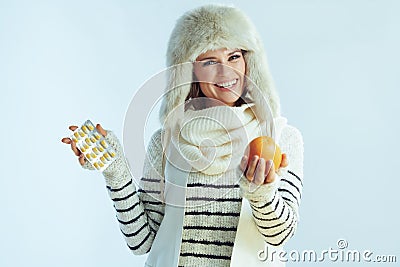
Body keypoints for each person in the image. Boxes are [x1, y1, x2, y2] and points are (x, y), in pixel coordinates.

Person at [61, 4, 304, 267]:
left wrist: (261, 193)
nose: (227, 72)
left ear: (249, 61)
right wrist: (115, 169)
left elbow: (281, 234)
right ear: (190, 72)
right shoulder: (165, 141)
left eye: (234, 56)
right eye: (210, 61)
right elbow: (142, 241)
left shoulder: (281, 137)